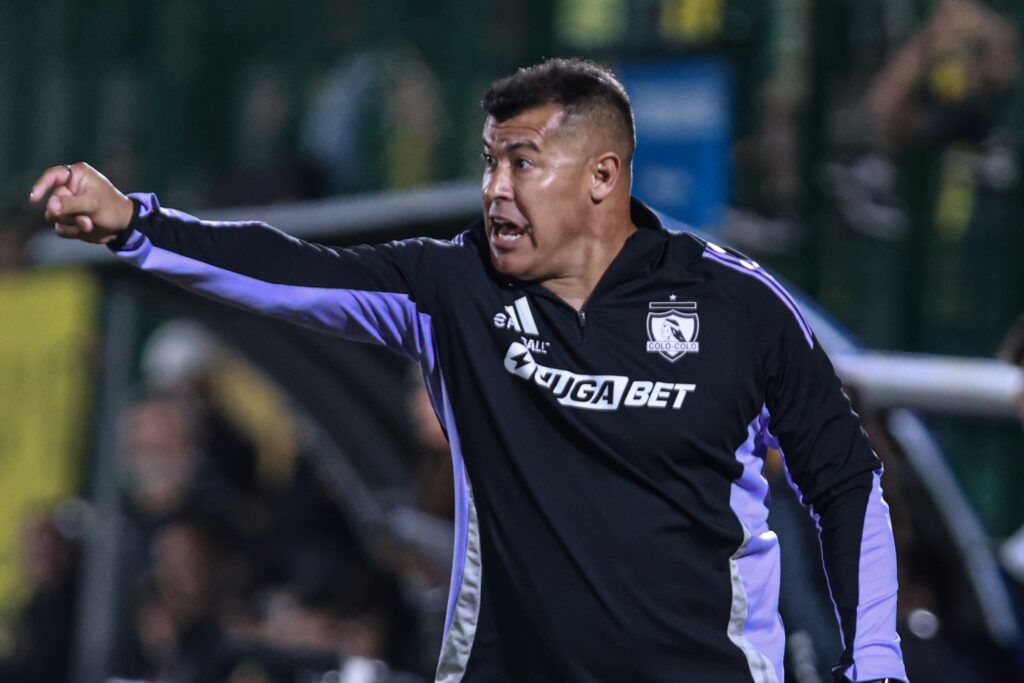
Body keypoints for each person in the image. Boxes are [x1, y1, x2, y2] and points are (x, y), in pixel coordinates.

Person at [30, 58, 907, 683]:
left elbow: (845, 479)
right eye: (490, 160)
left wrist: (876, 661)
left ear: (603, 177)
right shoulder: (456, 289)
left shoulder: (739, 308)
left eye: (522, 162)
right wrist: (136, 225)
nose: (494, 187)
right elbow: (288, 270)